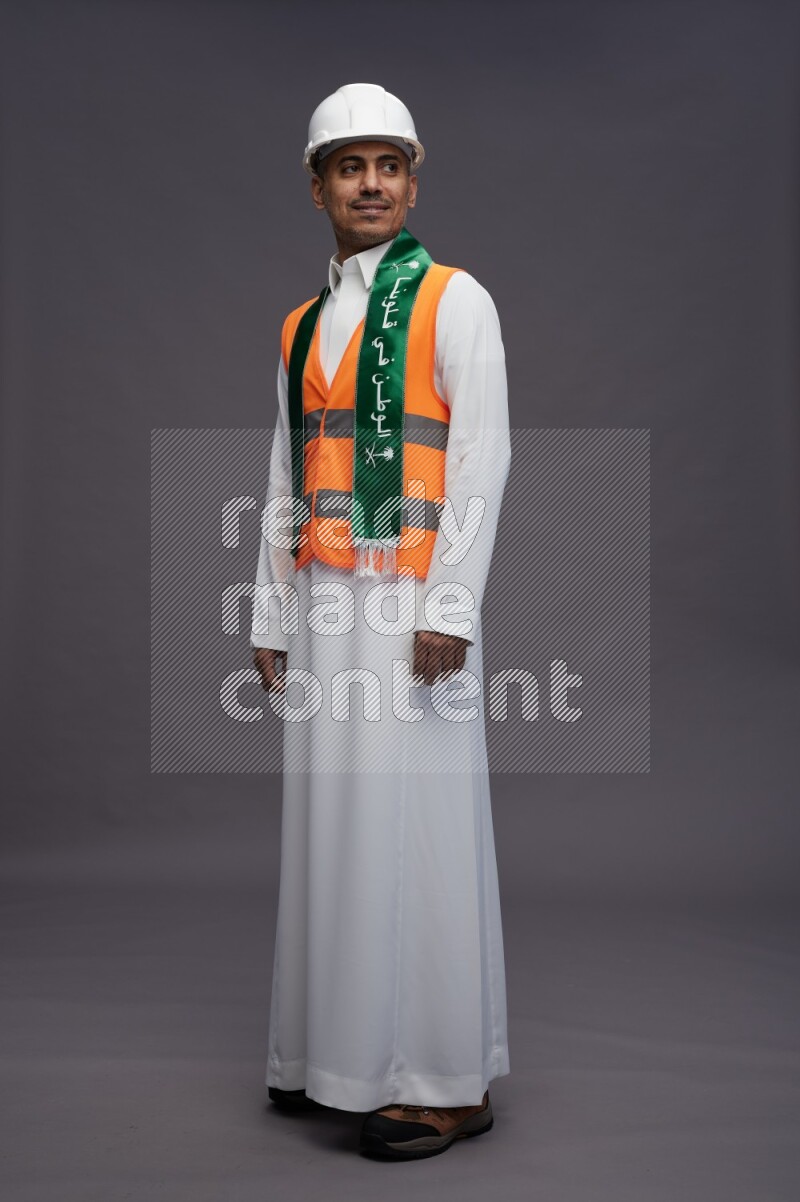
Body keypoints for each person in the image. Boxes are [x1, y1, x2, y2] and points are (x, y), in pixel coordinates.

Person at [250, 82, 511, 1161]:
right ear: (315, 186)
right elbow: (282, 465)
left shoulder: (455, 298)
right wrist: (270, 607)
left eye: (388, 164)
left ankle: (444, 1079)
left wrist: (450, 602)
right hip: (325, 597)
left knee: (422, 832)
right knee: (334, 826)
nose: (370, 183)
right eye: (348, 166)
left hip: (412, 601)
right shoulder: (303, 320)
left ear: (412, 179)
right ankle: (333, 1055)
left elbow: (483, 455)